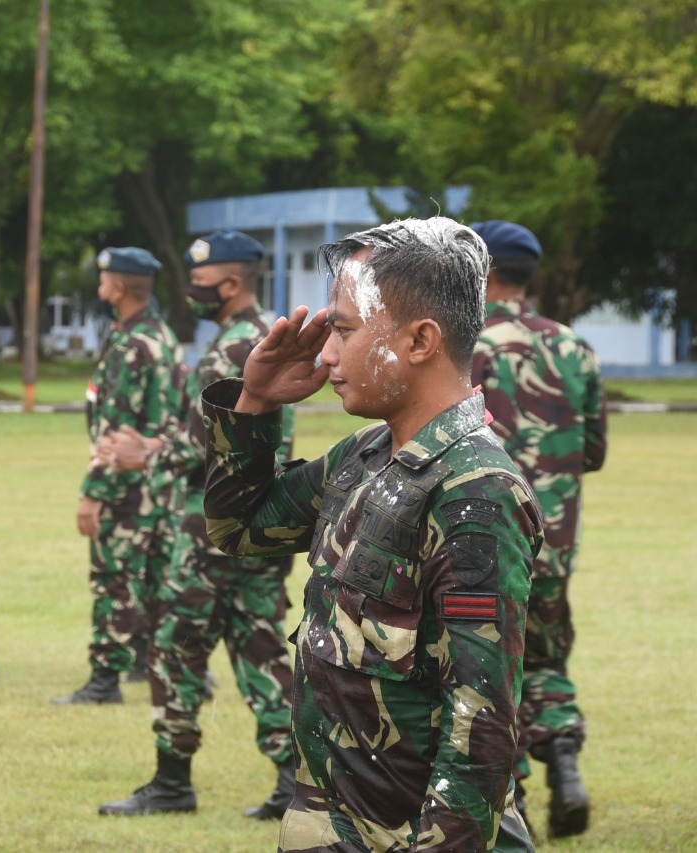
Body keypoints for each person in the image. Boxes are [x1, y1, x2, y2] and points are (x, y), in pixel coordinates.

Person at [202, 218, 539, 851]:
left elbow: (479, 733)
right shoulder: (365, 455)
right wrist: (253, 406)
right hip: (330, 822)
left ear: (419, 341)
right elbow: (239, 529)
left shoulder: (474, 491)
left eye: (344, 329)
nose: (325, 353)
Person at [98, 230, 297, 820]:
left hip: (212, 528)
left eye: (200, 283)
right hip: (261, 520)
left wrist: (145, 454)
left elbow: (206, 443)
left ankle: (171, 780)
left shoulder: (231, 348)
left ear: (230, 284)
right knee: (260, 646)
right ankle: (293, 779)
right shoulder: (268, 336)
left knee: (176, 649)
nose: (191, 293)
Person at [470, 220, 606, 837]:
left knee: (490, 662)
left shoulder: (461, 344)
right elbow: (594, 449)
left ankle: (513, 801)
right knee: (547, 650)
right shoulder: (575, 346)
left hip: (488, 530)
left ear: (485, 272)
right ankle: (567, 765)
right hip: (558, 533)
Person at [54, 247, 185, 705]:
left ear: (120, 288)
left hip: (126, 484)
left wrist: (92, 493)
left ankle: (105, 679)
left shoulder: (130, 346)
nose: (99, 285)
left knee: (114, 577)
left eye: (105, 278)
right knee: (152, 576)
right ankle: (154, 663)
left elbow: (116, 429)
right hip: (159, 482)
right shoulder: (162, 335)